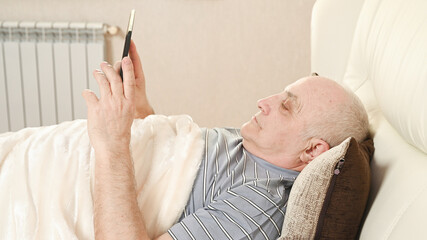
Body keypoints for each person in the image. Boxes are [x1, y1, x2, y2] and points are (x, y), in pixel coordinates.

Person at [82, 41, 369, 240]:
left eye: (286, 106)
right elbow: (169, 169)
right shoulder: (253, 147)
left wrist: (112, 146)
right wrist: (140, 110)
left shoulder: (259, 206)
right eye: (280, 95)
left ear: (312, 150)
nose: (263, 102)